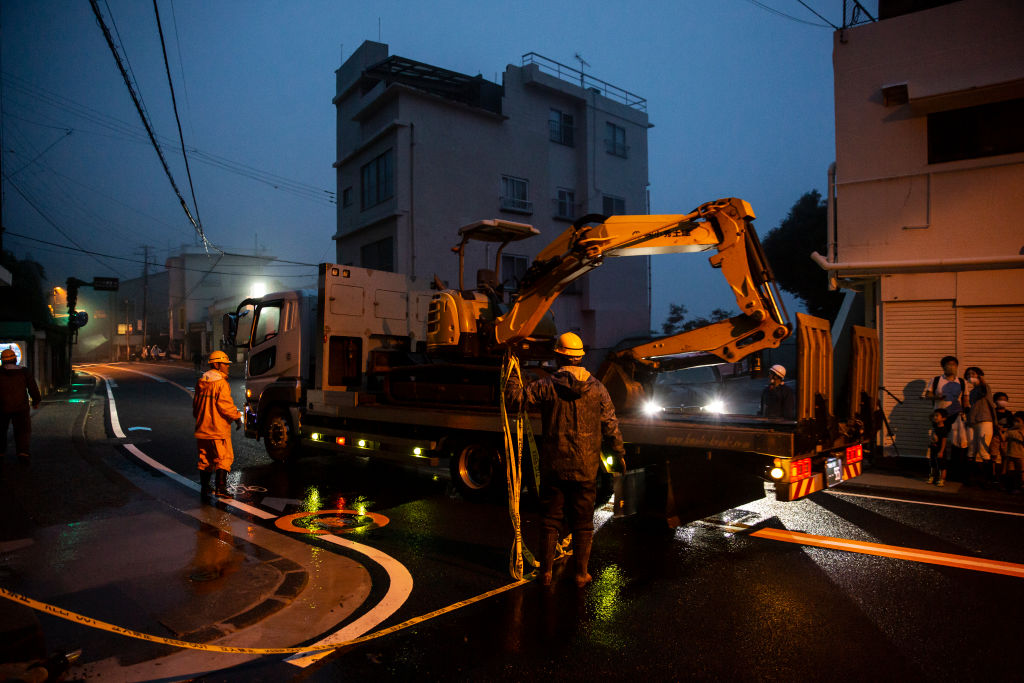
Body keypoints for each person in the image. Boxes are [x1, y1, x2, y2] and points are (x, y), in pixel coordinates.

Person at [504, 332, 626, 587]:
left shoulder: (546, 385)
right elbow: (611, 425)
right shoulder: (598, 388)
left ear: (559, 356)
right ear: (580, 358)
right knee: (583, 523)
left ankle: (546, 573)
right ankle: (581, 574)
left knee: (550, 520)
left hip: (554, 467)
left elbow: (515, 400)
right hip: (585, 469)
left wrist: (513, 374)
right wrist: (618, 453)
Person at [193, 350, 243, 498]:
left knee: (205, 459)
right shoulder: (221, 383)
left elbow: (196, 405)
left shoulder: (201, 381)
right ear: (216, 364)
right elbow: (225, 406)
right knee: (224, 458)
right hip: (217, 428)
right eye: (225, 364)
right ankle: (221, 488)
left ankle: (205, 488)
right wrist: (237, 417)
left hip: (202, 428)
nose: (227, 367)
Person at [925, 355, 969, 480]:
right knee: (938, 443)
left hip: (956, 415)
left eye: (954, 365)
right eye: (948, 364)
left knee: (957, 443)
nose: (951, 367)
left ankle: (955, 472)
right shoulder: (936, 380)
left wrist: (966, 412)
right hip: (939, 417)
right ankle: (938, 471)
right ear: (943, 367)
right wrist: (937, 397)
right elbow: (927, 395)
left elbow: (965, 398)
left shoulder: (961, 381)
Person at [0, 348, 41, 463]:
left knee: (1, 430)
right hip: (21, 408)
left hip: (2, 408)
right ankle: (23, 453)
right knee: (22, 431)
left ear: (2, 361)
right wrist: (36, 401)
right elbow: (32, 387)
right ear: (15, 359)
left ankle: (1, 452)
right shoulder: (24, 372)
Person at [964, 366, 996, 486]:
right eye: (968, 375)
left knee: (983, 450)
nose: (970, 376)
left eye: (973, 374)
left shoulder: (985, 387)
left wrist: (982, 379)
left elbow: (983, 393)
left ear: (979, 375)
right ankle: (970, 478)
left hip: (984, 420)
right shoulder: (972, 392)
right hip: (972, 422)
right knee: (971, 450)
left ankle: (989, 479)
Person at [926, 409, 951, 487]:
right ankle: (932, 477)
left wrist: (941, 451)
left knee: (942, 465)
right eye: (935, 416)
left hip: (940, 449)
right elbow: (930, 417)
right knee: (933, 463)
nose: (935, 417)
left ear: (943, 418)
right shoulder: (935, 425)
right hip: (934, 448)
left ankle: (942, 479)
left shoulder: (943, 429)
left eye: (937, 416)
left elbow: (944, 441)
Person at [1003, 412, 1024, 494]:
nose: (1016, 423)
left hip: (1021, 455)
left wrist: (1021, 433)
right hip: (1010, 454)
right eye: (1015, 421)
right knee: (1011, 471)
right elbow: (1003, 438)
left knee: (1021, 472)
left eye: (1018, 421)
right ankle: (1013, 487)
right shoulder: (1010, 430)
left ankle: (1021, 486)